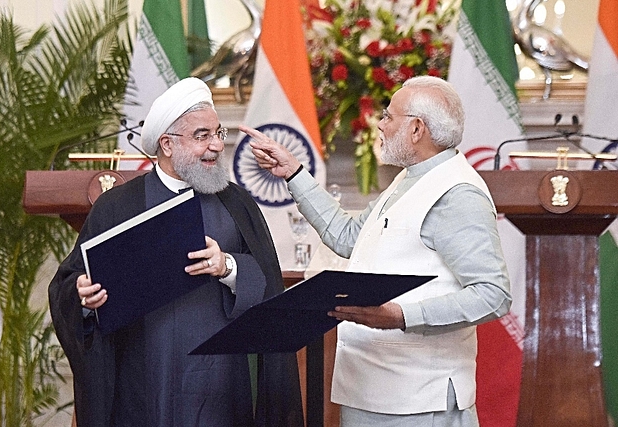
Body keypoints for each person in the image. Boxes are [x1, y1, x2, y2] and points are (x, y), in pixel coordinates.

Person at [240, 75, 512, 427]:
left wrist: (400, 316)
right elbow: (347, 236)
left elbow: (493, 295)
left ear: (416, 129)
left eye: (388, 116)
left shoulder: (457, 193)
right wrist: (293, 173)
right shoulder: (409, 178)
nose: (380, 125)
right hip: (371, 390)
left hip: (419, 401)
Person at [49, 77, 303, 427]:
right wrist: (81, 293)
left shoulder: (237, 202)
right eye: (202, 136)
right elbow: (68, 281)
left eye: (218, 134)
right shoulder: (117, 205)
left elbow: (268, 283)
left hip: (221, 386)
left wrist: (227, 266)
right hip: (142, 384)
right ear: (167, 144)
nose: (216, 145)